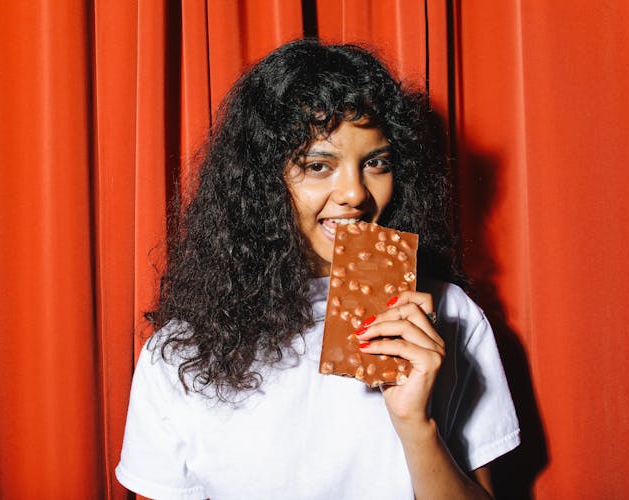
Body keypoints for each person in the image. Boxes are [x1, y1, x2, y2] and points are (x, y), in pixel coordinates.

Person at [115, 39, 520, 500]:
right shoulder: (181, 351)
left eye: (376, 163)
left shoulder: (451, 315)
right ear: (261, 183)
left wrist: (416, 425)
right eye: (318, 165)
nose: (355, 193)